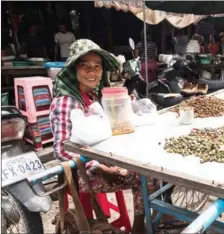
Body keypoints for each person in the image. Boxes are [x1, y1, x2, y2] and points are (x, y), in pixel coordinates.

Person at [49, 39, 157, 233]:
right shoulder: (67, 101)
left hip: (100, 159)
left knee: (151, 166)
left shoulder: (91, 94)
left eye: (97, 67)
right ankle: (139, 229)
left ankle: (147, 222)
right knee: (146, 177)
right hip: (80, 172)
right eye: (85, 66)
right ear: (74, 69)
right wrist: (98, 167)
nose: (92, 72)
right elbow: (60, 149)